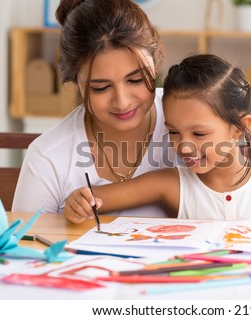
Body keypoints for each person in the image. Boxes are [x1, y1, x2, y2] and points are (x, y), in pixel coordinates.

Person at [65, 54, 251, 224]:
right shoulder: (172, 184)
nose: (184, 146)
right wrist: (80, 201)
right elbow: (95, 198)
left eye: (199, 134)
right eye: (173, 132)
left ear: (240, 128)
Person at [12, 0, 177, 217]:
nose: (122, 102)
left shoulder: (192, 118)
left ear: (155, 64)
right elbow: (24, 243)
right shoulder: (48, 156)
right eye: (101, 87)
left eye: (136, 80)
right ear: (76, 83)